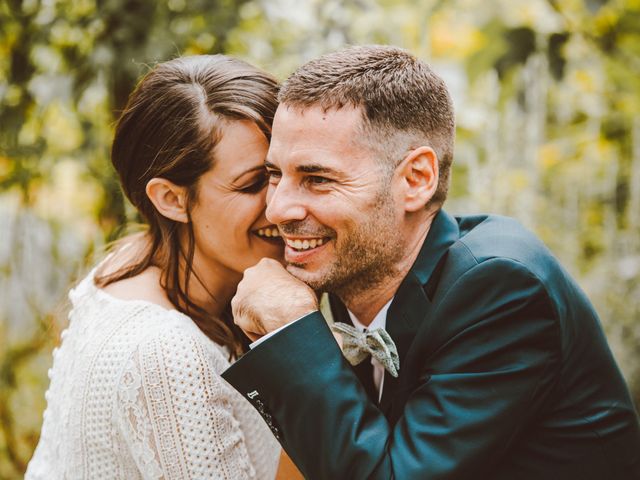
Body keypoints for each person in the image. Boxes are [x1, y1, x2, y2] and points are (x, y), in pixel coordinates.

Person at [222, 45, 640, 479]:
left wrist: (292, 330)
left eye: (318, 179)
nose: (277, 209)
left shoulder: (502, 289)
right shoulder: (359, 265)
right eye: (275, 175)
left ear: (415, 179)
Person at [26, 55, 288, 479]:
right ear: (171, 199)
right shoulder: (168, 354)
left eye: (284, 173)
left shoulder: (133, 263)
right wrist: (310, 383)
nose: (283, 203)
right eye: (253, 184)